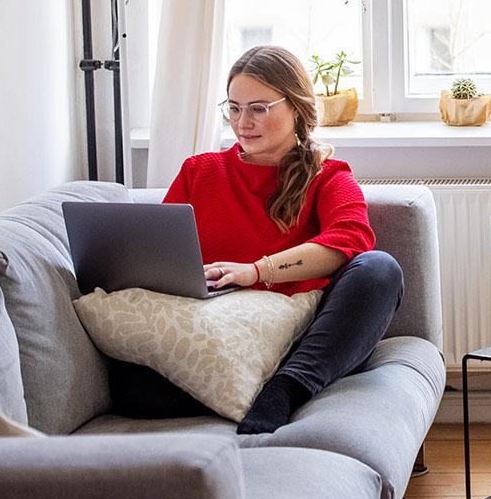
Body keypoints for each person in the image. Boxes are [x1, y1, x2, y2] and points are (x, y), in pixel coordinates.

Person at [161, 45, 404, 434]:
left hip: (299, 340)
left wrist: (256, 272)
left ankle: (286, 389)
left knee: (379, 270)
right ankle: (244, 385)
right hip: (216, 336)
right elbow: (161, 251)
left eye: (258, 108)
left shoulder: (329, 175)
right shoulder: (198, 171)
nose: (243, 122)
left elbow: (353, 238)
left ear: (296, 108)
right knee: (131, 387)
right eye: (234, 107)